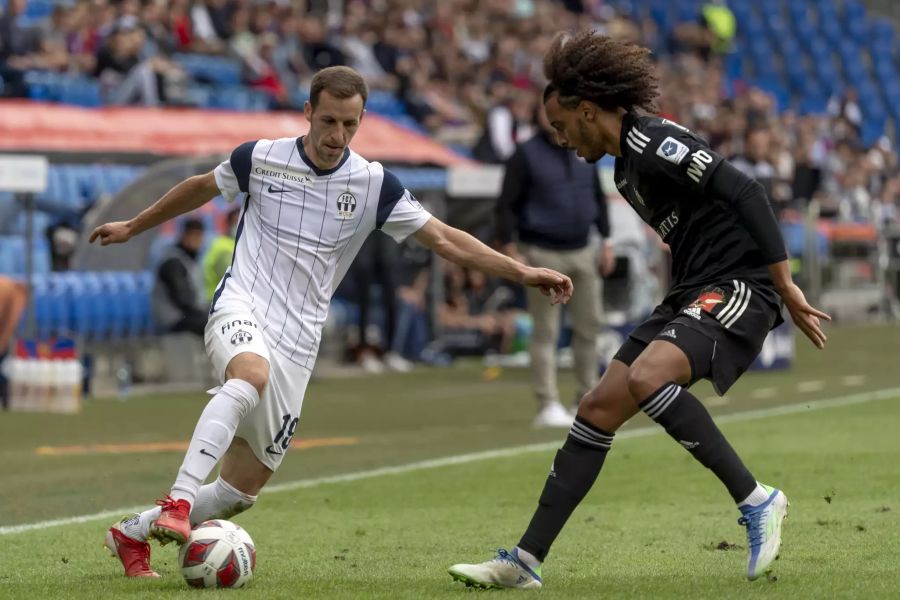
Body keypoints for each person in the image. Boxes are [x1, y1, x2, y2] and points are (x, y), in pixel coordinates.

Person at [90, 65, 573, 578]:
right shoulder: (259, 158)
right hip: (243, 304)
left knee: (239, 492)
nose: (336, 136)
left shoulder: (372, 183)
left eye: (349, 124)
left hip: (300, 339)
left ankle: (130, 533)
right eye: (328, 121)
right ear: (307, 113)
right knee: (249, 375)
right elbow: (200, 187)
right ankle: (178, 502)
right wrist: (133, 225)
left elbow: (446, 239)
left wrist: (521, 272)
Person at [449, 31, 830, 589]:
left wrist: (785, 285)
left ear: (586, 110)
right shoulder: (624, 170)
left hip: (740, 284)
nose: (559, 139)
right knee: (598, 408)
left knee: (650, 377)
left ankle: (758, 500)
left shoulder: (652, 142)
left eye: (560, 126)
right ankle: (525, 562)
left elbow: (746, 191)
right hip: (693, 290)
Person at [496, 101, 615, 428]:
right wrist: (511, 249)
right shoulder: (524, 154)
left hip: (583, 250)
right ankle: (547, 402)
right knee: (546, 330)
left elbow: (597, 196)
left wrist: (606, 240)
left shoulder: (582, 148)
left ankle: (587, 397)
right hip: (541, 252)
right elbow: (506, 205)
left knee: (589, 327)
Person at [151, 217, 208, 337]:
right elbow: (183, 300)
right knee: (212, 323)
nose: (198, 240)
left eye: (200, 236)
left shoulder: (190, 259)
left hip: (186, 316)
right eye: (194, 235)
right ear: (184, 236)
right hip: (172, 319)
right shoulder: (173, 262)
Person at [203, 207, 240, 302]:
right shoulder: (221, 245)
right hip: (221, 300)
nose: (239, 225)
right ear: (229, 224)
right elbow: (231, 278)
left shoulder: (245, 244)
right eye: (236, 221)